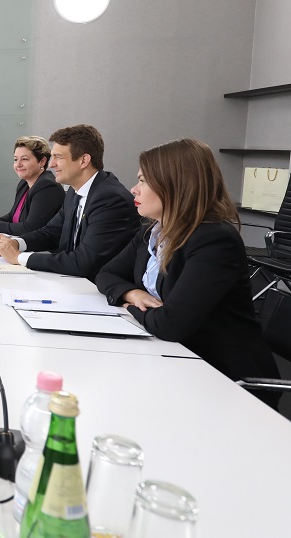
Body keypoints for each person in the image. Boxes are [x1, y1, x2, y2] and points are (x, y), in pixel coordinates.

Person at [95, 139, 279, 405]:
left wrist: (128, 307)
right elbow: (106, 274)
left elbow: (170, 325)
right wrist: (133, 294)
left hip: (224, 380)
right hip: (175, 360)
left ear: (175, 184)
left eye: (143, 180)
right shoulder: (153, 231)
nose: (134, 189)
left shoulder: (214, 240)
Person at [0, 124, 140, 280]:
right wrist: (16, 243)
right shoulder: (75, 191)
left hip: (97, 288)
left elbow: (84, 262)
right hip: (72, 282)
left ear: (83, 160)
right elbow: (51, 232)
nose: (51, 164)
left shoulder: (110, 199)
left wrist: (18, 257)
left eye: (58, 157)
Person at [0, 135, 62, 235]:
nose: (18, 164)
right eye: (16, 159)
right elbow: (12, 217)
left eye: (24, 159)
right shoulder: (24, 183)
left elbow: (30, 229)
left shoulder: (47, 187)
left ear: (42, 161)